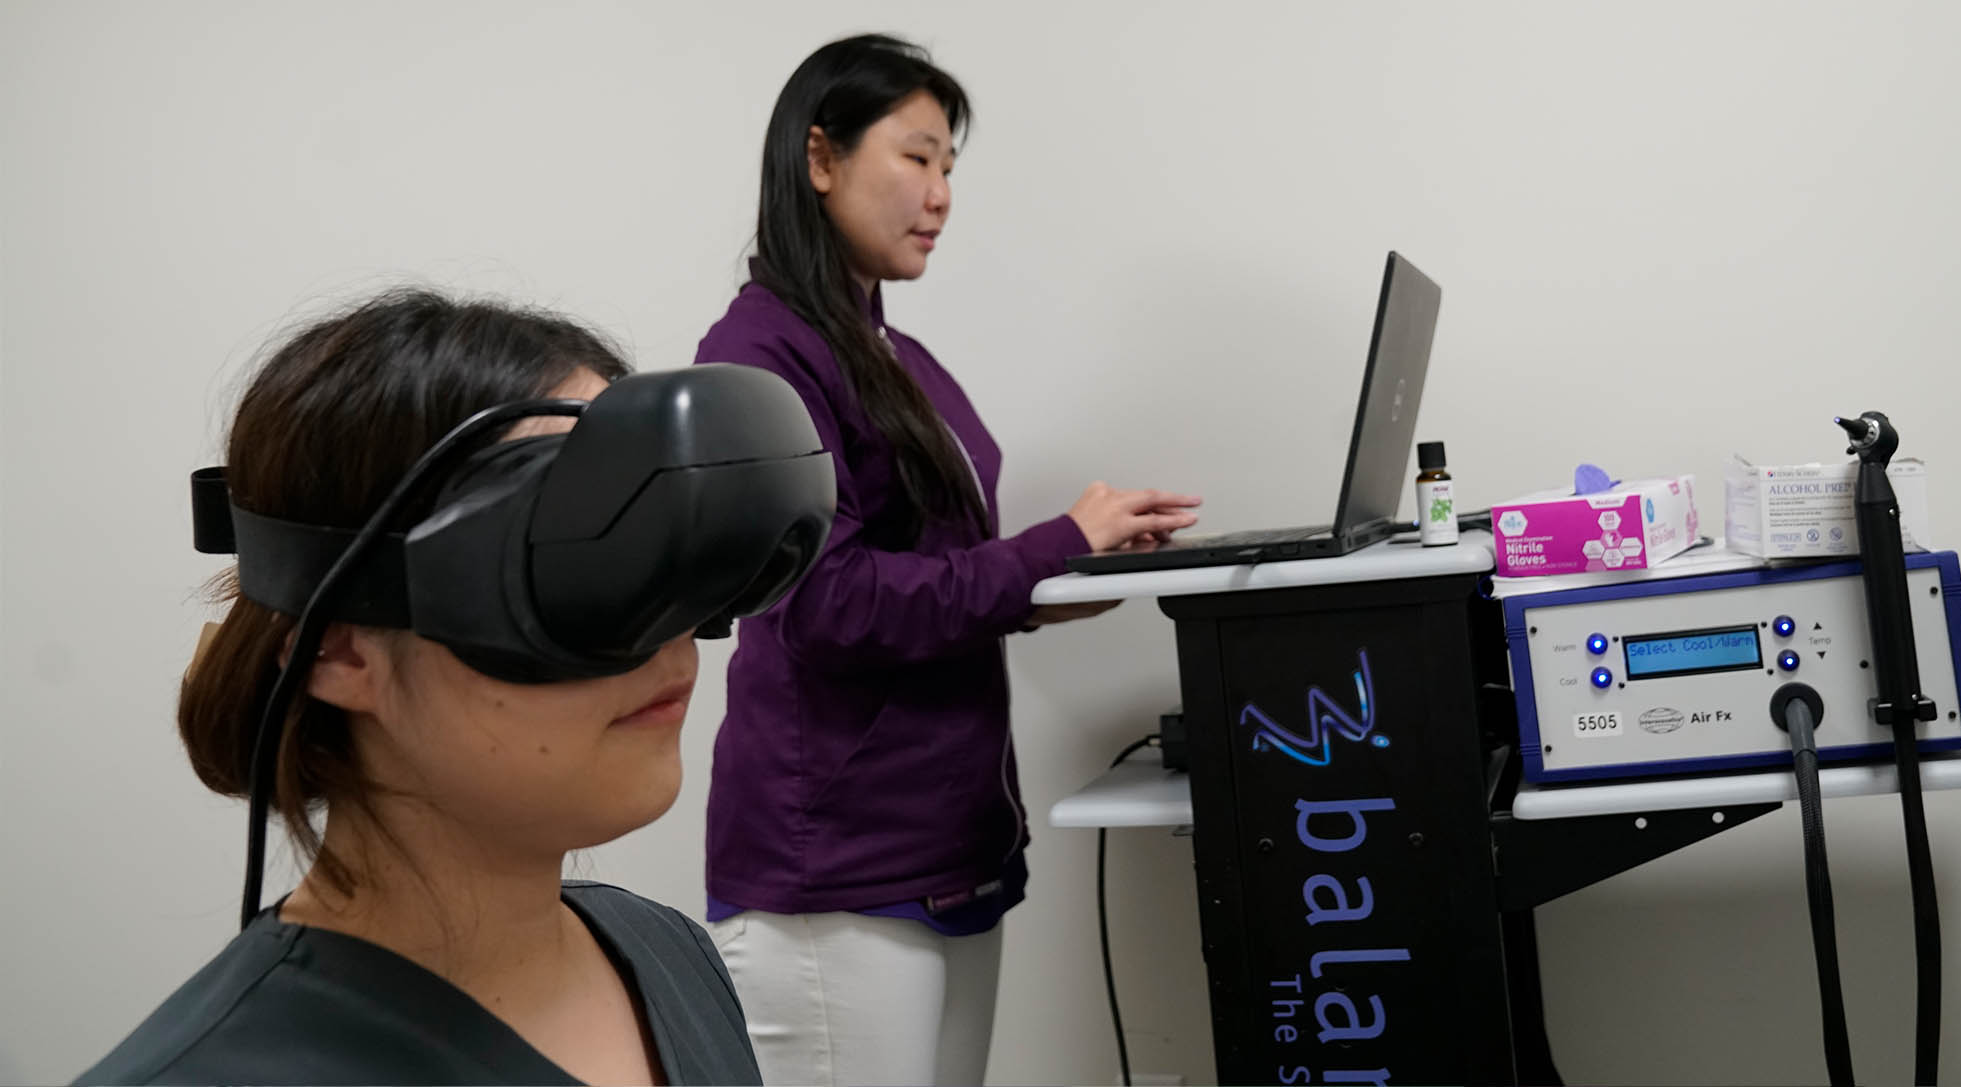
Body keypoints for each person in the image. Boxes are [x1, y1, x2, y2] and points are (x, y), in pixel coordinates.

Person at [80, 291, 762, 1086]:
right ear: (338, 646)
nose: (671, 627)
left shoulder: (671, 957)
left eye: (653, 543)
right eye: (567, 562)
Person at [695, 34, 1200, 1086]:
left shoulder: (896, 356)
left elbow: (933, 572)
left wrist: (1053, 584)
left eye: (949, 169)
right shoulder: (754, 358)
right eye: (916, 158)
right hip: (834, 871)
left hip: (947, 842)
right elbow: (829, 604)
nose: (939, 193)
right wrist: (1051, 546)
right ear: (819, 157)